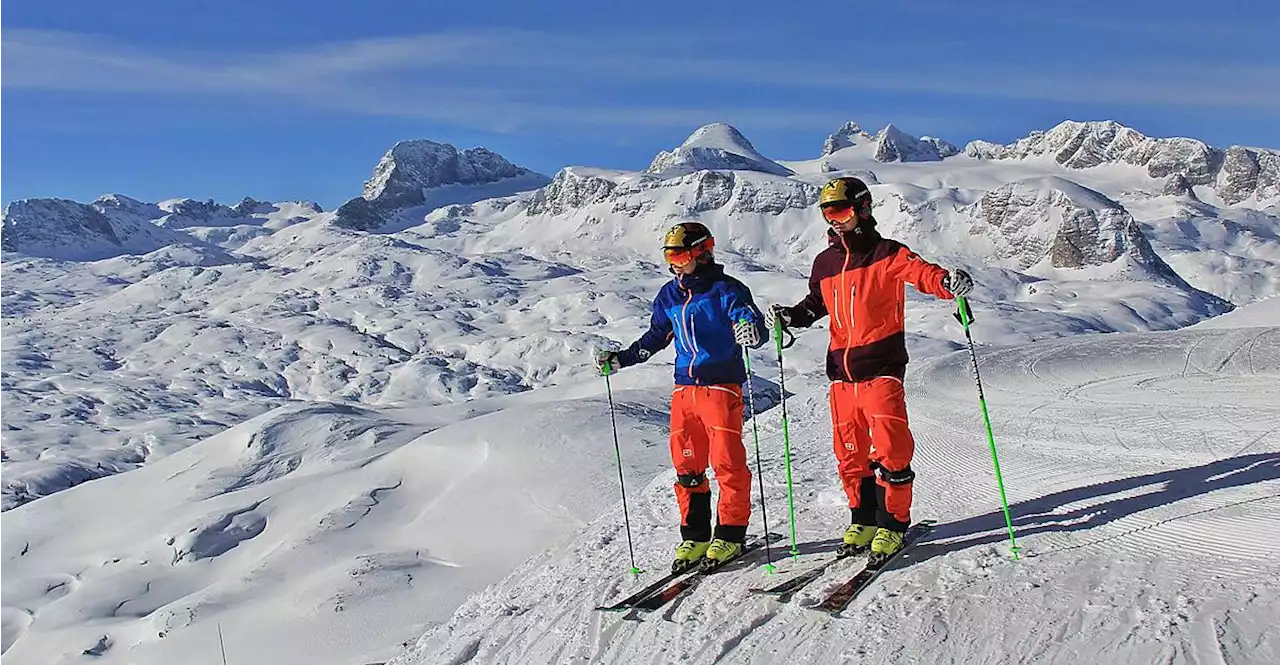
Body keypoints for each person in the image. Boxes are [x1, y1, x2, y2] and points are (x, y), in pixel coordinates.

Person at [766, 176, 973, 565]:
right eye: (829, 213)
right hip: (842, 377)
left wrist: (947, 282)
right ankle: (862, 519)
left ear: (862, 209)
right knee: (850, 454)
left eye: (842, 211)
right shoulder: (825, 262)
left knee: (892, 451)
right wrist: (792, 316)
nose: (836, 220)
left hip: (881, 369)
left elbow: (923, 274)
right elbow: (816, 303)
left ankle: (893, 523)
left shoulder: (887, 253)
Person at [595, 221, 769, 573]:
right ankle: (696, 535)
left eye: (680, 254)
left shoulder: (727, 290)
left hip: (721, 387)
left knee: (726, 463)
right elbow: (656, 337)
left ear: (702, 252)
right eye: (669, 255)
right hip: (685, 390)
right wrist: (621, 359)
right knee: (687, 465)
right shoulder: (669, 296)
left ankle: (731, 534)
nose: (674, 263)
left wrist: (752, 332)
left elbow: (751, 324)